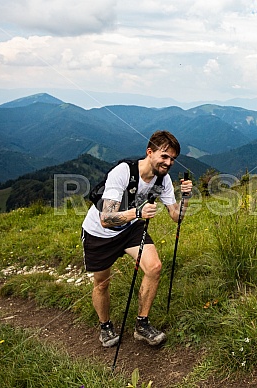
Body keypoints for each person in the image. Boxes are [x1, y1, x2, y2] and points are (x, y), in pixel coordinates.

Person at [81, 130, 192, 348]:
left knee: (154, 267)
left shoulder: (163, 180)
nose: (169, 162)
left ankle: (142, 325)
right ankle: (105, 326)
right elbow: (106, 218)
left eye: (172, 159)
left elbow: (176, 217)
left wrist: (185, 197)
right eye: (164, 156)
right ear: (150, 152)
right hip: (99, 233)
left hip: (130, 229)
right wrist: (138, 213)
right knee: (102, 283)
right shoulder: (123, 172)